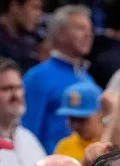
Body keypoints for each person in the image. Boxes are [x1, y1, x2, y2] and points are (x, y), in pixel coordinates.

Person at [20, 5, 98, 152]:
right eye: (81, 28)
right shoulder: (37, 77)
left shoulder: (88, 79)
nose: (88, 34)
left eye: (90, 29)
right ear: (60, 34)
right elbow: (28, 132)